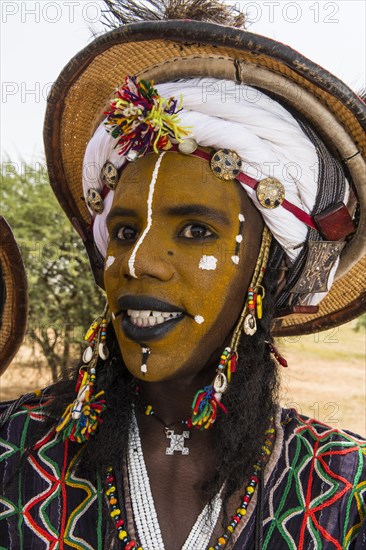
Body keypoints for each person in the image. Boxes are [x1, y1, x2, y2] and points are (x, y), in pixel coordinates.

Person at [1, 1, 365, 548]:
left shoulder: (343, 488)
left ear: (268, 270)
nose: (137, 261)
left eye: (195, 231)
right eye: (123, 232)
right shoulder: (14, 451)